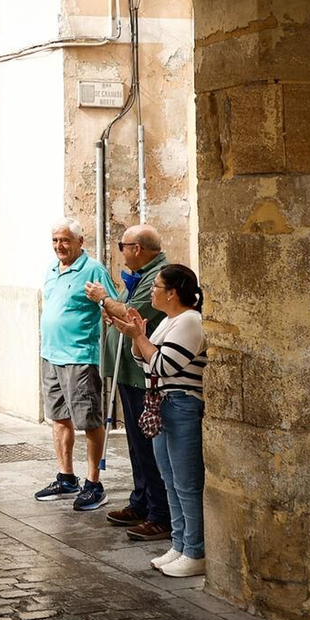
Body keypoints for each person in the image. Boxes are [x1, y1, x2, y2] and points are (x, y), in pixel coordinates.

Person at [117, 264, 207, 577]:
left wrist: (139, 337)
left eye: (156, 286)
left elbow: (163, 365)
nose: (151, 291)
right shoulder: (170, 321)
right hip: (161, 404)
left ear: (172, 292)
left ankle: (195, 550)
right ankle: (180, 543)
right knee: (169, 479)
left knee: (186, 483)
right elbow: (143, 360)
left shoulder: (190, 321)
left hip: (181, 404)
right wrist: (137, 336)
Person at [84, 224, 171, 541]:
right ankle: (141, 501)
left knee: (147, 444)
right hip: (128, 371)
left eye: (123, 245)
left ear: (137, 249)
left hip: (141, 373)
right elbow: (121, 311)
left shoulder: (158, 275)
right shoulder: (140, 274)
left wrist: (104, 299)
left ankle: (159, 511)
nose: (120, 250)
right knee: (136, 443)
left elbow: (133, 312)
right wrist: (111, 310)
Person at [34, 218, 115, 511]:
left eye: (65, 240)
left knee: (89, 421)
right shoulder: (52, 270)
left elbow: (110, 303)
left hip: (80, 357)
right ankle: (67, 478)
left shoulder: (93, 269)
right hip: (50, 355)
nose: (60, 246)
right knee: (58, 418)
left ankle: (94, 483)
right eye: (55, 240)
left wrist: (106, 310)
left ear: (80, 242)